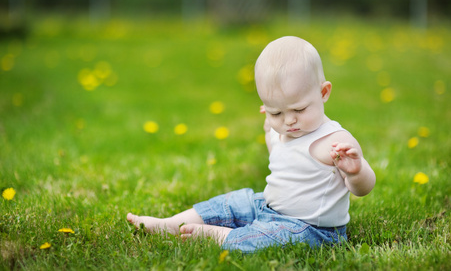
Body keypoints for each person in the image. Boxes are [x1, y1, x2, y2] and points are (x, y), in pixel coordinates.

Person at [127, 36, 376, 253]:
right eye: (276, 112)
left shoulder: (335, 141)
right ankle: (172, 223)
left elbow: (363, 188)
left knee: (273, 238)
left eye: (299, 109)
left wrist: (356, 171)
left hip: (312, 229)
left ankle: (223, 237)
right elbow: (281, 160)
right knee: (233, 202)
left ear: (323, 93)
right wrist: (270, 130)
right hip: (268, 207)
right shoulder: (284, 131)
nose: (289, 121)